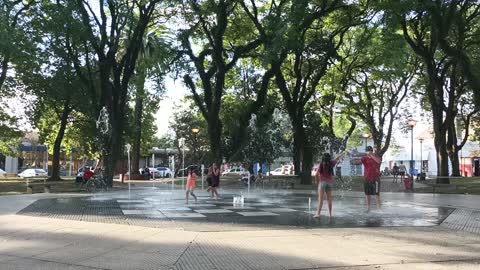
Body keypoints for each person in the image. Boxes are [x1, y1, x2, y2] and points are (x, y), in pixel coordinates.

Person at [314, 151, 347, 219]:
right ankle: (330, 214)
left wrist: (317, 182)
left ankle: (318, 214)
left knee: (320, 199)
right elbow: (337, 158)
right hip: (329, 183)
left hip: (322, 183)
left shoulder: (321, 164)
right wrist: (343, 153)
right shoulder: (331, 163)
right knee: (329, 199)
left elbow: (316, 174)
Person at [361, 146, 382, 212]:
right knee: (367, 194)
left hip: (375, 178)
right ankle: (368, 208)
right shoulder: (364, 158)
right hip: (367, 178)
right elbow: (359, 160)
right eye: (367, 151)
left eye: (368, 151)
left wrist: (372, 155)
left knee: (376, 194)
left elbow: (378, 161)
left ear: (371, 151)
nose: (367, 152)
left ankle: (378, 209)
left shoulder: (376, 157)